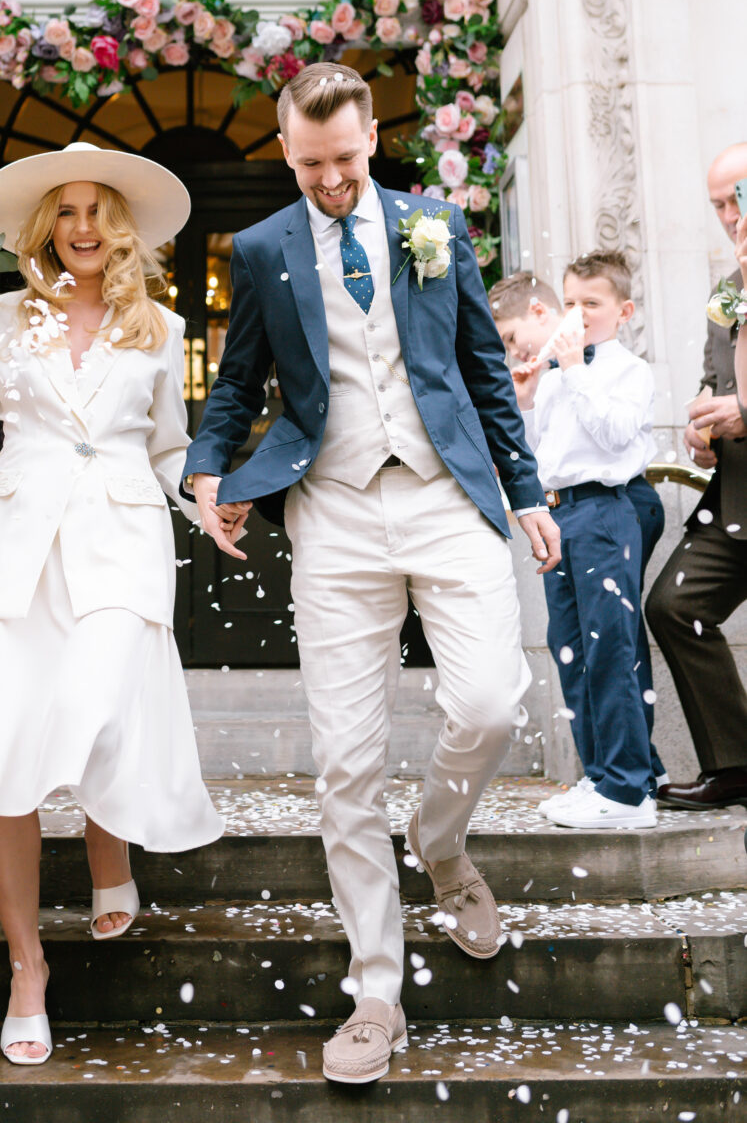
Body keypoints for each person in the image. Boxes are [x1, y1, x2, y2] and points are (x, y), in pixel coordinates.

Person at [183, 63, 558, 1085]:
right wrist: (208, 467)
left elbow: (481, 366)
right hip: (334, 508)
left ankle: (439, 841)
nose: (329, 181)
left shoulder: (433, 225)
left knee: (487, 702)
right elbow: (238, 377)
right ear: (284, 151)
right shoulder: (262, 248)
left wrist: (522, 490)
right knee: (344, 761)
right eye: (308, 165)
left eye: (344, 160)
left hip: (446, 496)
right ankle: (375, 990)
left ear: (370, 137)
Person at [0, 142, 224, 1067]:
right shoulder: (2, 317)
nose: (82, 228)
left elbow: (170, 447)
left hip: (122, 537)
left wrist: (202, 496)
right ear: (45, 227)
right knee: (2, 738)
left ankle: (109, 858)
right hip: (14, 538)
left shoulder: (159, 327)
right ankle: (26, 963)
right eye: (66, 212)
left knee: (108, 699)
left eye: (97, 212)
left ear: (120, 227)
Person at [493, 253, 662, 829]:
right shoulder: (562, 374)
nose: (580, 314)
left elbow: (614, 436)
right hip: (561, 515)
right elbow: (545, 454)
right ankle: (601, 775)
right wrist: (529, 395)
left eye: (593, 303)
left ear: (623, 311)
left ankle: (630, 791)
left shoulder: (627, 370)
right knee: (570, 647)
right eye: (572, 302)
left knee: (610, 647)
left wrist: (575, 372)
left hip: (606, 511)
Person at [645, 143, 747, 810]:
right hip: (733, 498)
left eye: (736, 197)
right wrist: (700, 430)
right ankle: (735, 767)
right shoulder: (726, 292)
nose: (728, 216)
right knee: (673, 607)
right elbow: (717, 384)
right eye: (716, 205)